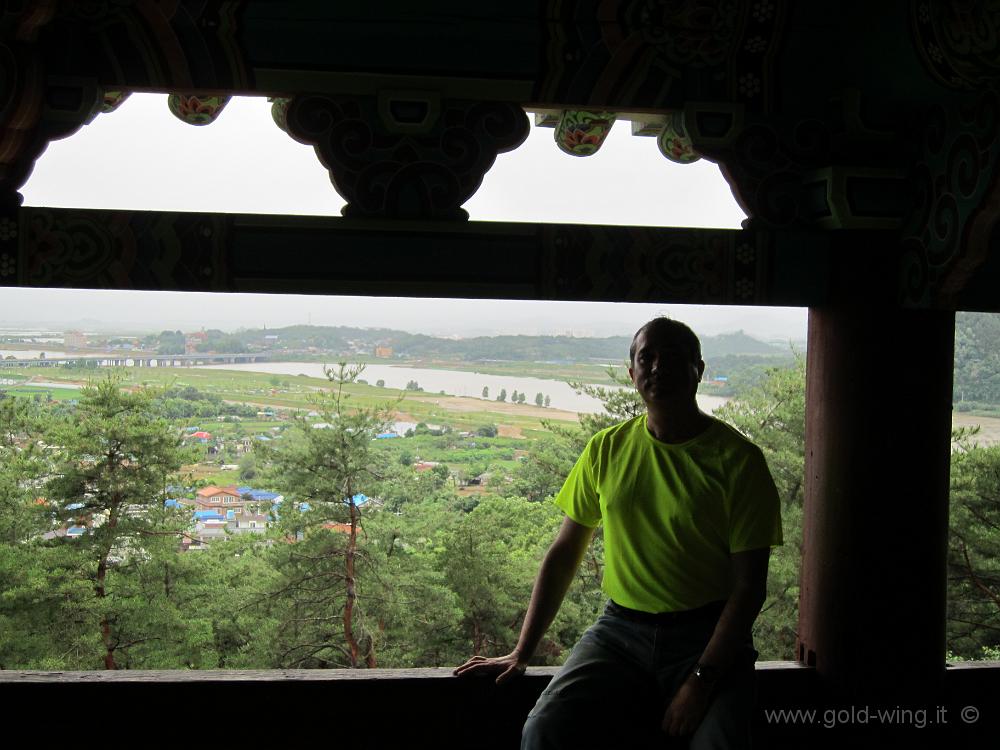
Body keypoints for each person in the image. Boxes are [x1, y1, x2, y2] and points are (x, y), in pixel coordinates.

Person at [454, 317, 783, 749]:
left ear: (698, 369)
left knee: (720, 742)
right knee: (543, 729)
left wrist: (701, 682)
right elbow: (565, 550)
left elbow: (748, 589)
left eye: (674, 357)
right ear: (632, 374)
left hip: (708, 636)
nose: (658, 367)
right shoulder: (607, 448)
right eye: (647, 357)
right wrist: (522, 651)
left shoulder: (739, 461)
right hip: (620, 631)